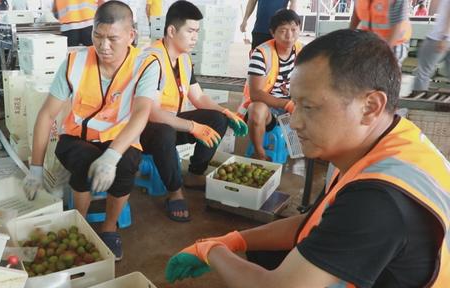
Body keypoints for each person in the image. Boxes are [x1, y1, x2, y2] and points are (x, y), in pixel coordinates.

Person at [166, 29, 450, 288]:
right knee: (269, 255)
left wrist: (211, 250)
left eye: (310, 107)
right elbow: (313, 223)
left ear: (370, 106)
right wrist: (235, 240)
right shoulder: (393, 144)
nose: (295, 121)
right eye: (294, 104)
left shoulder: (379, 200)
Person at [23, 1, 160, 260]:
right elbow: (46, 115)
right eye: (97, 36)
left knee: (127, 162)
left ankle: (109, 228)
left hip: (119, 138)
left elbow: (142, 113)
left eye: (112, 39)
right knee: (85, 162)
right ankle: (80, 225)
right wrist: (35, 169)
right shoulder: (75, 62)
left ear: (131, 36)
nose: (103, 46)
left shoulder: (146, 64)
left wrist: (111, 157)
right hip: (75, 138)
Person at [141, 1, 248, 222]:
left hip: (171, 122)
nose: (195, 38)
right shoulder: (151, 60)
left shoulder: (183, 59)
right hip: (143, 130)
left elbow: (198, 97)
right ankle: (175, 192)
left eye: (197, 32)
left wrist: (226, 113)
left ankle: (195, 174)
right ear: (171, 31)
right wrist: (192, 126)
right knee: (163, 131)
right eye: (190, 31)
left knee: (216, 119)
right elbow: (151, 113)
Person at [235, 9, 302, 161]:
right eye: (283, 30)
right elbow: (256, 94)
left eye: (293, 30)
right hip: (268, 107)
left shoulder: (301, 50)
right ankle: (260, 154)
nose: (289, 36)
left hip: (292, 103)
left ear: (299, 29)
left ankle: (307, 150)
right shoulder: (261, 54)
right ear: (273, 33)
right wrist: (287, 104)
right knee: (256, 109)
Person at [350, 0, 411, 66]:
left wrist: (382, 52)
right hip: (369, 41)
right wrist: (349, 35)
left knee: (385, 71)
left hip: (395, 43)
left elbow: (396, 27)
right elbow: (356, 11)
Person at [412, 0, 450, 93]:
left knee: (422, 73)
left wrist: (444, 37)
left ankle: (419, 102)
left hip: (438, 39)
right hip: (444, 39)